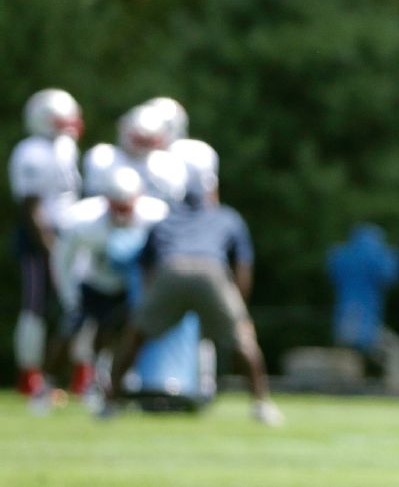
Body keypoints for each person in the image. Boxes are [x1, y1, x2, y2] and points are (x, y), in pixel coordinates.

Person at [101, 148, 283, 425]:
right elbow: (242, 269)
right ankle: (261, 405)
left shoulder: (164, 220)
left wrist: (151, 306)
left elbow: (147, 268)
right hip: (211, 271)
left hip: (170, 269)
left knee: (134, 337)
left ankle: (109, 404)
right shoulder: (228, 217)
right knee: (243, 341)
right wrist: (239, 312)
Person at [49, 166, 168, 404]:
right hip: (92, 282)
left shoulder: (156, 216)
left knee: (126, 335)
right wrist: (70, 296)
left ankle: (116, 385)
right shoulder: (83, 220)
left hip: (130, 286)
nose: (122, 214)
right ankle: (47, 383)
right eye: (116, 206)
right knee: (70, 330)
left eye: (127, 206)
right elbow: (62, 260)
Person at [8, 88, 83, 395]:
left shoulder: (66, 148)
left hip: (70, 235)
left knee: (81, 306)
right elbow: (32, 208)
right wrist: (52, 248)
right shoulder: (31, 152)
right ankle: (29, 375)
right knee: (35, 307)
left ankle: (81, 373)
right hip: (42, 239)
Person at [328, 222, 399, 392]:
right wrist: (395, 255)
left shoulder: (343, 254)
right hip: (369, 324)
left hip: (343, 321)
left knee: (349, 356)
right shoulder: (374, 257)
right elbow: (390, 275)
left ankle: (346, 391)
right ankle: (394, 390)